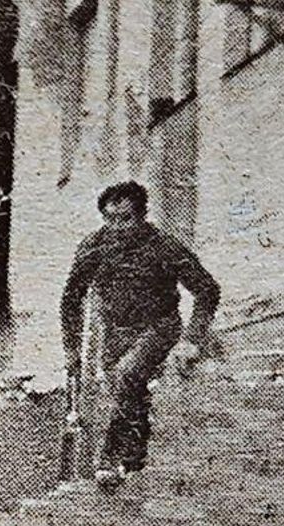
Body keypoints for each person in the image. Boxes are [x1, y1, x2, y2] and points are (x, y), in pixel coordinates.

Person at [61, 181, 221, 487]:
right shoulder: (94, 246)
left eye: (125, 219)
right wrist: (71, 346)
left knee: (126, 376)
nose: (117, 227)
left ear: (142, 215)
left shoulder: (163, 245)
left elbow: (207, 290)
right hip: (115, 335)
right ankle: (134, 466)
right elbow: (71, 298)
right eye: (110, 219)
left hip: (159, 328)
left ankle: (109, 457)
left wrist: (191, 340)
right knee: (125, 395)